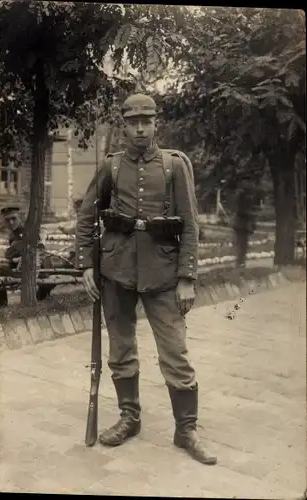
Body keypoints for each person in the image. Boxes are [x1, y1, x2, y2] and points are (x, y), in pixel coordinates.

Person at [75, 89, 217, 465]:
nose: (140, 129)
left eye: (146, 122)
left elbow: (190, 224)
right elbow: (88, 216)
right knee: (121, 350)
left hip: (165, 273)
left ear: (156, 124)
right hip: (117, 271)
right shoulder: (111, 166)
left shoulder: (173, 165)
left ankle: (186, 429)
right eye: (133, 122)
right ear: (124, 126)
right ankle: (129, 417)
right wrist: (88, 265)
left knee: (175, 353)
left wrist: (187, 277)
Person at [0, 205, 53, 306]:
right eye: (7, 220)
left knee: (0, 270)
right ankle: (2, 304)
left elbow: (42, 232)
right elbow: (13, 256)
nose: (11, 222)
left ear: (19, 217)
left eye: (13, 218)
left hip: (37, 268)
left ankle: (2, 304)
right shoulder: (13, 235)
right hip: (25, 266)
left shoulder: (27, 229)